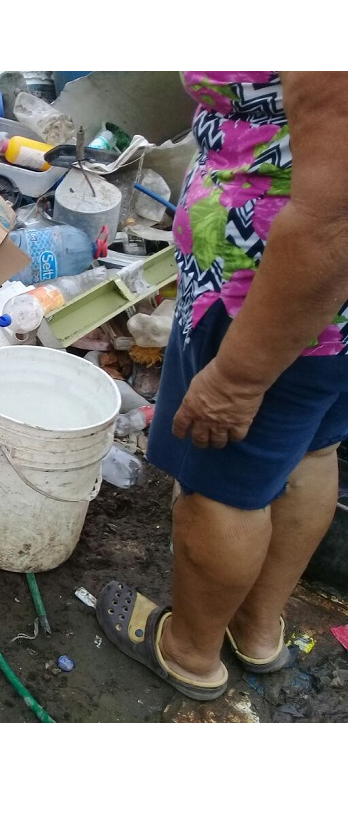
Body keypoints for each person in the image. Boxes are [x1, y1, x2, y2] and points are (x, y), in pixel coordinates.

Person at [96, 72, 348, 700]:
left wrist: (238, 377)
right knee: (310, 450)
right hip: (335, 324)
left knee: (221, 487)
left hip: (269, 304)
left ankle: (190, 652)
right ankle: (257, 630)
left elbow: (334, 221)